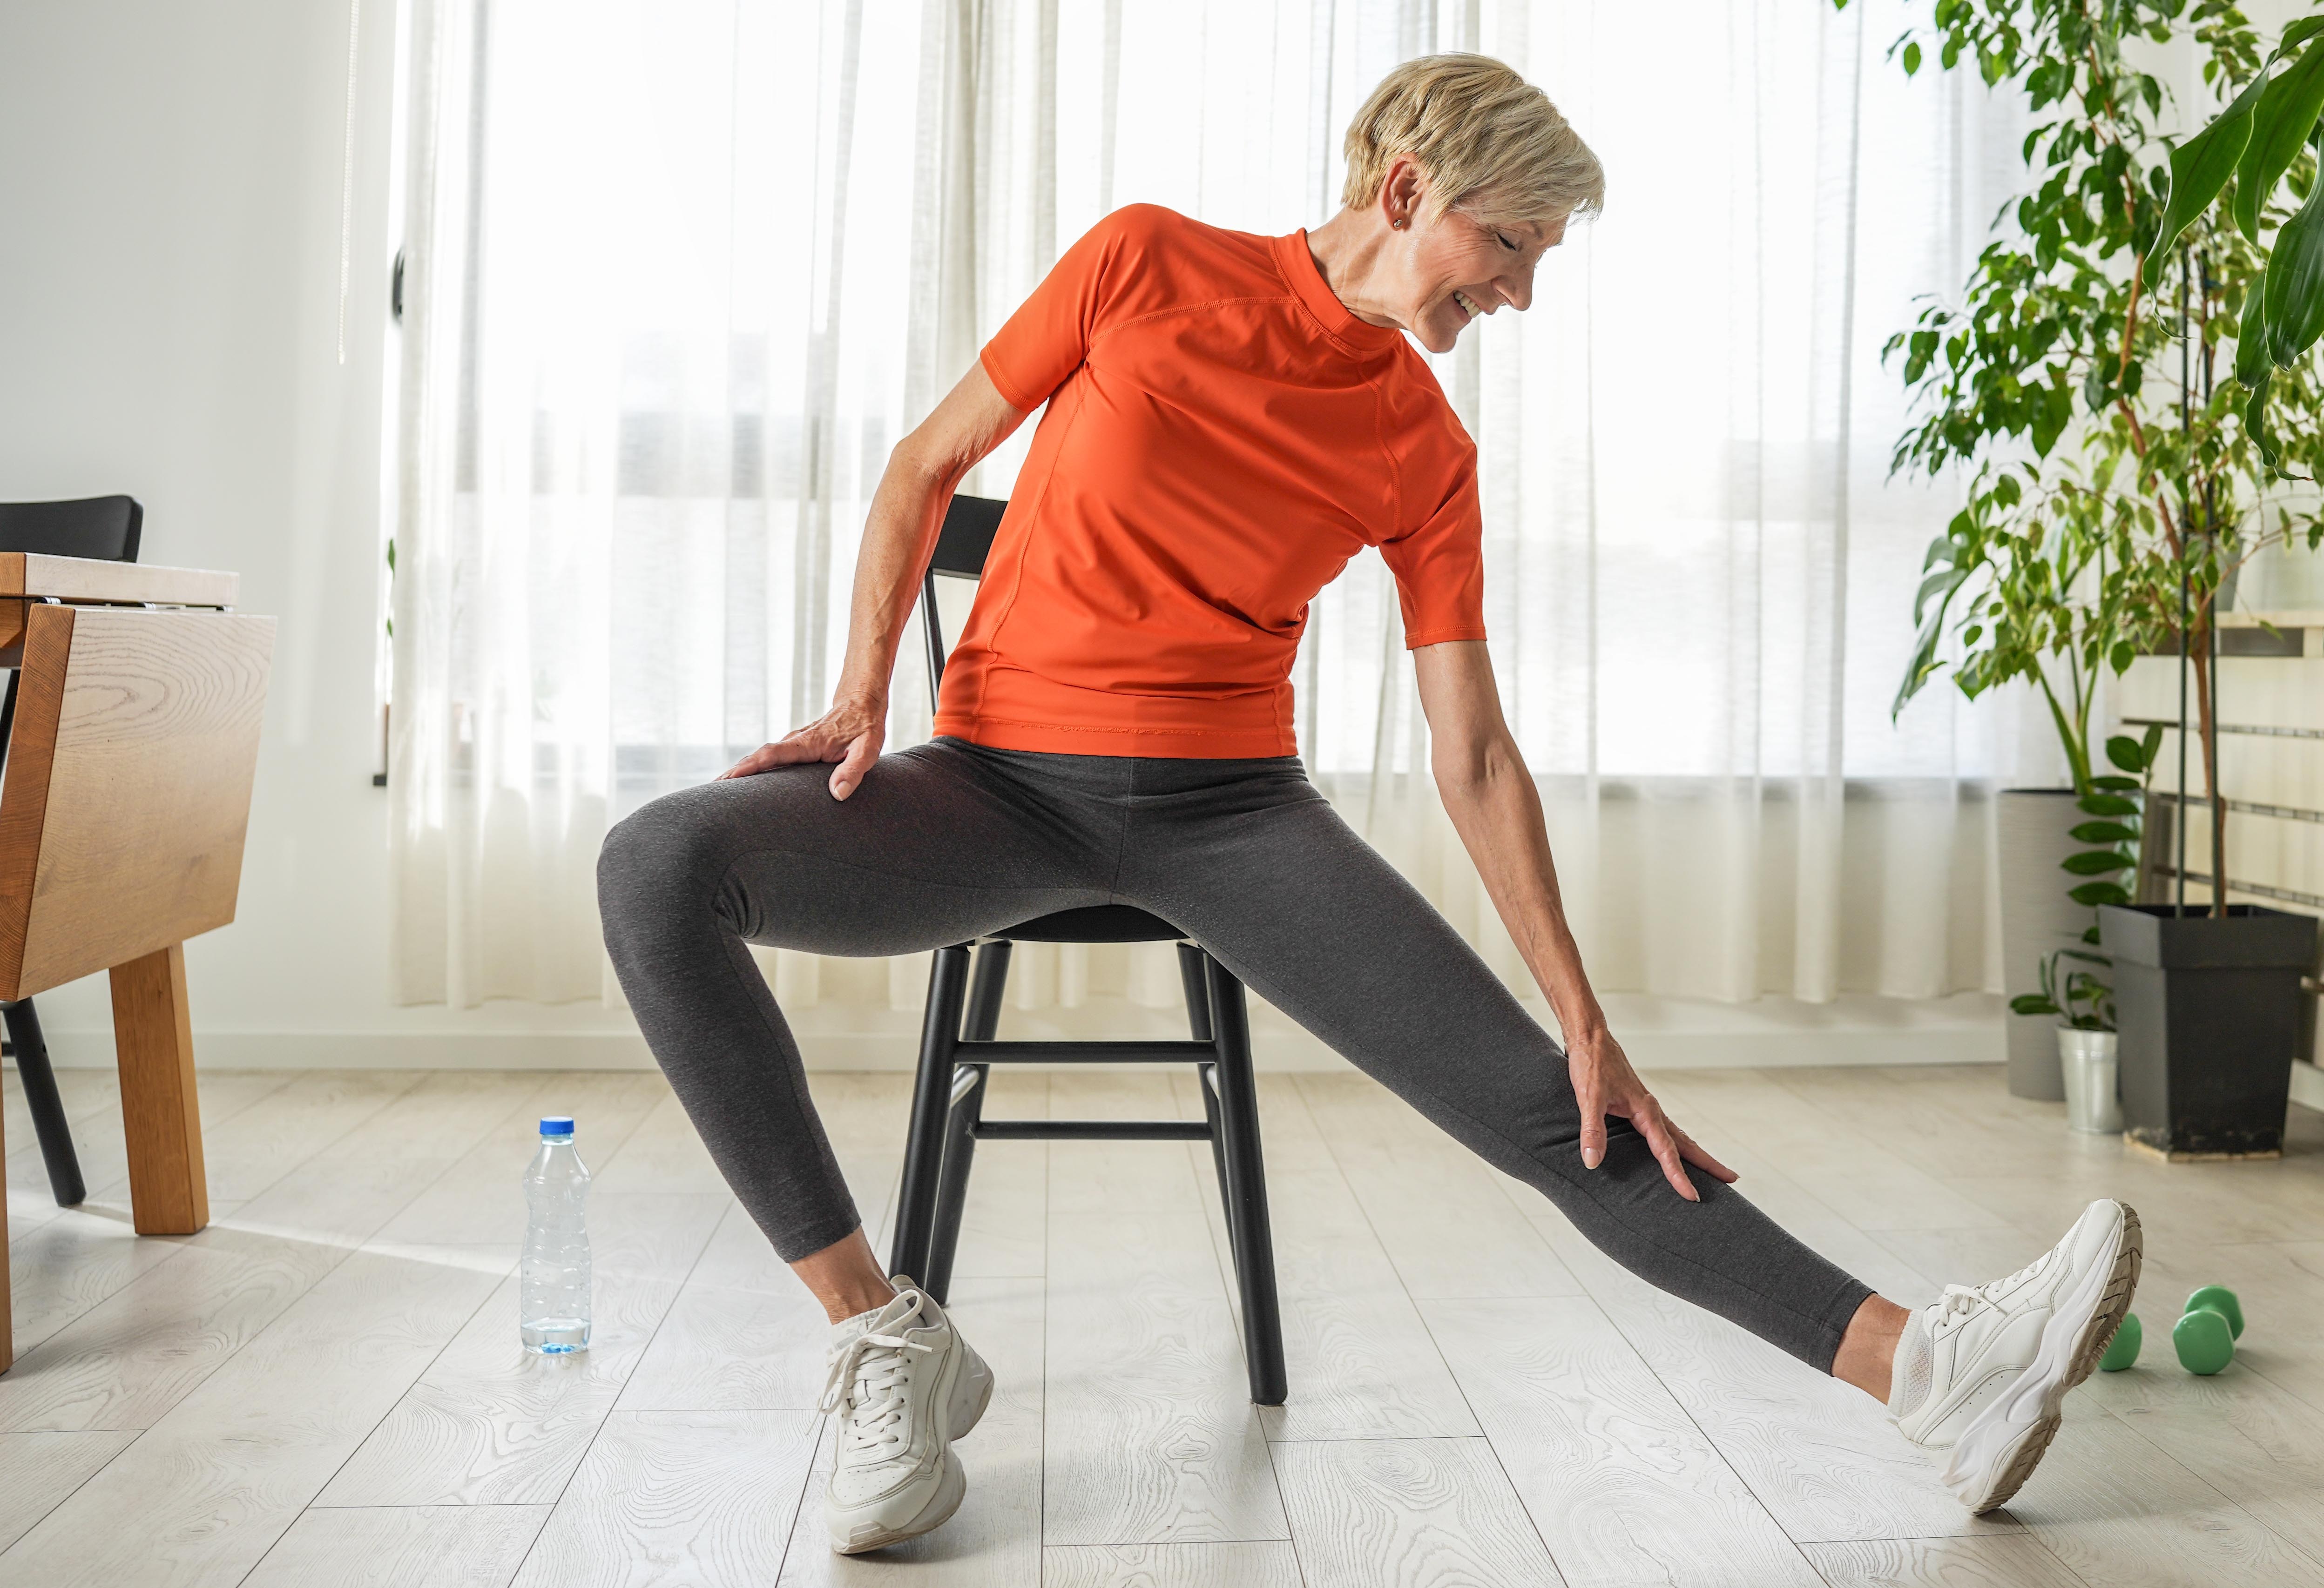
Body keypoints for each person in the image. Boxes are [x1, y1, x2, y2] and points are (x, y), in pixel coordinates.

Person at [597, 53, 2140, 1556]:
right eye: (1512, 246)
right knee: (657, 863)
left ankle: (1932, 1370)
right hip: (991, 786)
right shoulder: (1142, 262)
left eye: (1541, 261)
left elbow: (1469, 748)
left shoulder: (1422, 442)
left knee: (1560, 1108)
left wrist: (1585, 1017)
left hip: (1229, 818)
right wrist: (867, 688)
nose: (1523, 293)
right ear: (1408, 189)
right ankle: (881, 1336)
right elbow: (926, 462)